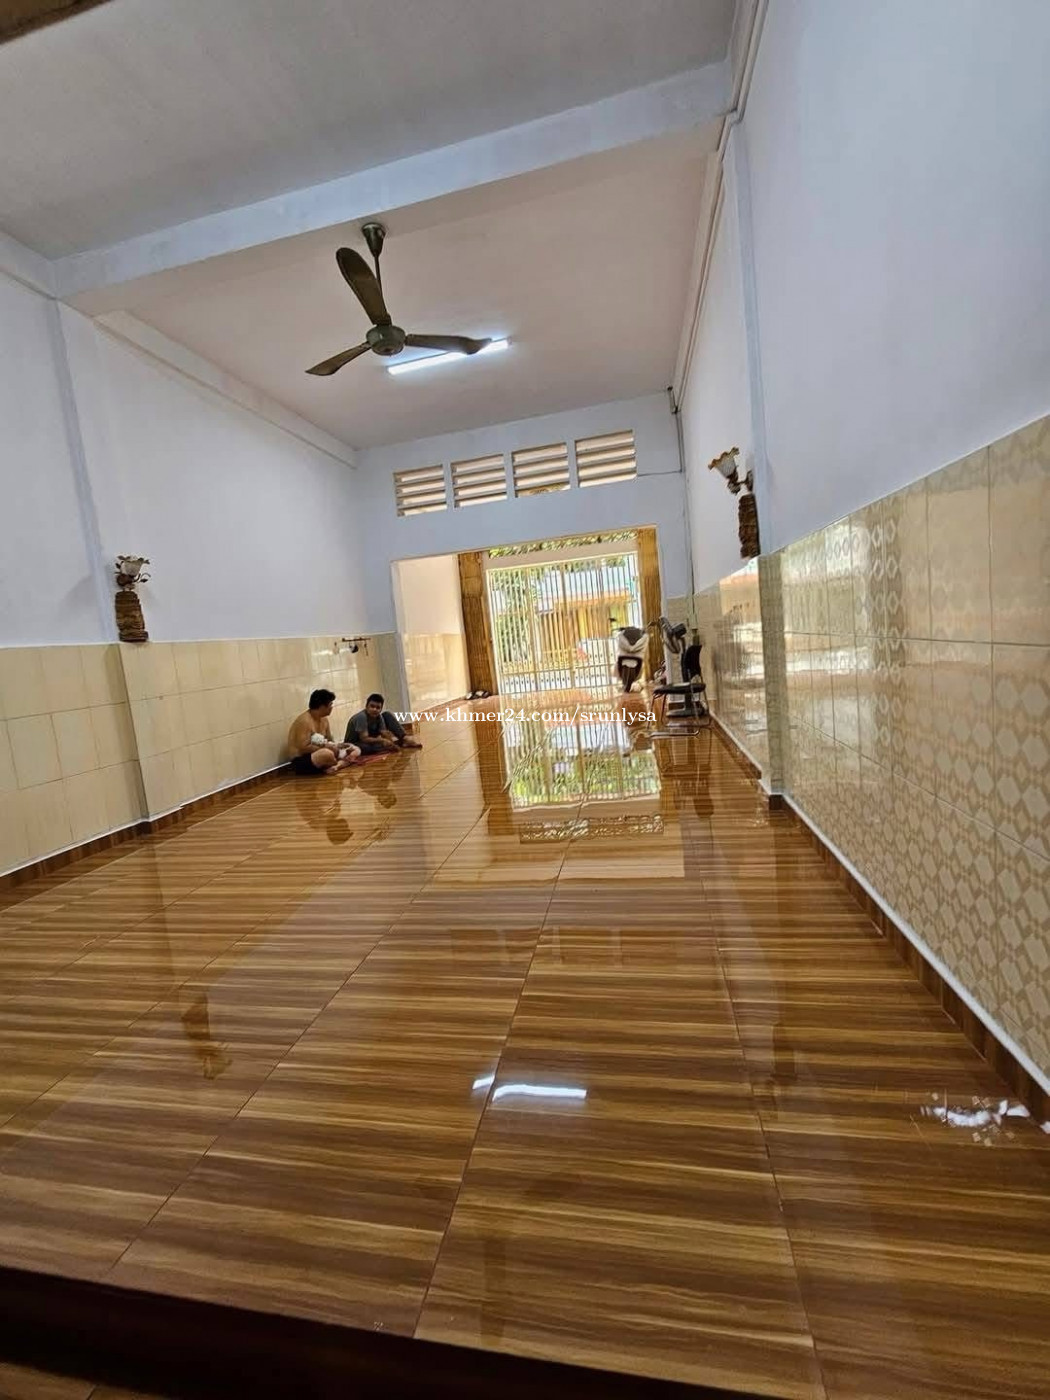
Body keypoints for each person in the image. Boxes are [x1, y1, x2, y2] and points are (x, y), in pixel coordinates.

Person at [287, 689, 361, 774]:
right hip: (302, 760)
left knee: (355, 749)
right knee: (327, 754)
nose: (332, 707)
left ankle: (336, 766)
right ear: (322, 706)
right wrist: (326, 747)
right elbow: (303, 748)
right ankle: (340, 763)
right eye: (330, 704)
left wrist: (340, 746)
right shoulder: (304, 721)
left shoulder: (324, 719)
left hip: (323, 751)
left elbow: (329, 740)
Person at [345, 693, 422, 754]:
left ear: (381, 709)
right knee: (367, 747)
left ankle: (405, 739)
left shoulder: (379, 716)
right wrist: (382, 741)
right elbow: (364, 738)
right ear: (366, 707)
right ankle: (394, 744)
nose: (374, 709)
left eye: (378, 708)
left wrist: (391, 743)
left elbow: (384, 732)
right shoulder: (361, 717)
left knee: (387, 714)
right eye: (372, 706)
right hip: (355, 743)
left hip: (369, 740)